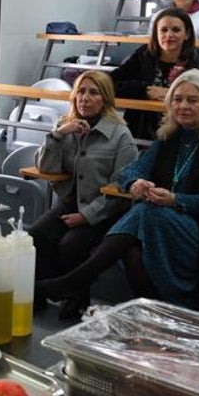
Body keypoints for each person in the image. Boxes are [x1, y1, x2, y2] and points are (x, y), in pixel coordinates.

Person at [35, 70, 199, 314]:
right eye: (177, 99)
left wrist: (176, 200)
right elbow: (129, 171)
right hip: (172, 225)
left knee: (147, 211)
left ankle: (72, 282)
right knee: (133, 251)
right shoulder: (170, 138)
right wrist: (134, 183)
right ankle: (157, 314)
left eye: (193, 100)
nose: (183, 106)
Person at [29, 71, 138, 321]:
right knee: (36, 235)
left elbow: (120, 191)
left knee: (71, 244)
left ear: (105, 99)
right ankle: (41, 292)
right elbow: (46, 167)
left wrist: (86, 216)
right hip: (70, 202)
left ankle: (76, 298)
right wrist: (58, 135)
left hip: (105, 211)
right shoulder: (67, 126)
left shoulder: (121, 137)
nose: (84, 98)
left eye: (93, 92)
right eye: (80, 91)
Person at [110, 7, 199, 139]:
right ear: (156, 33)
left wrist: (173, 95)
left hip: (185, 132)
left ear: (187, 34)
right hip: (142, 130)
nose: (169, 35)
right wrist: (144, 90)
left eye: (175, 30)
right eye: (163, 30)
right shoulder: (144, 54)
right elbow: (110, 82)